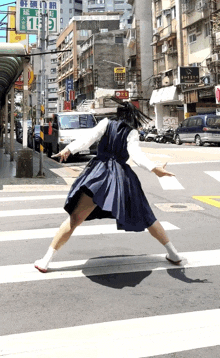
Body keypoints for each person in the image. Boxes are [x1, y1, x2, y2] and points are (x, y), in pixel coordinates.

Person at [34, 102, 182, 273]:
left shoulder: (106, 123)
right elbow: (136, 156)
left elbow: (87, 139)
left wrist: (69, 149)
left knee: (75, 219)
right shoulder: (132, 132)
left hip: (100, 174)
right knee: (147, 216)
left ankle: (45, 261)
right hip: (121, 178)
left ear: (118, 114)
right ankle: (174, 254)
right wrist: (154, 169)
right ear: (133, 117)